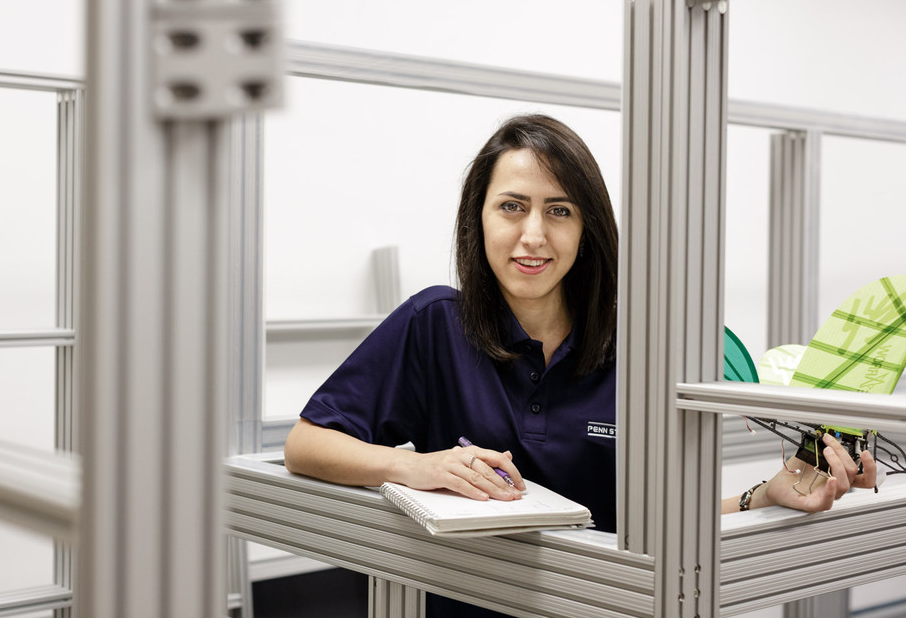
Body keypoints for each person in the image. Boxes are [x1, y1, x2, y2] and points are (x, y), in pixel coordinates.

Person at [284, 114, 876, 617]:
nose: (533, 235)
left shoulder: (637, 350)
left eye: (559, 210)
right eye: (511, 207)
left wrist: (761, 499)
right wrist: (416, 467)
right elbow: (307, 444)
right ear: (479, 219)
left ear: (586, 227)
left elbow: (645, 526)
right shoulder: (435, 323)